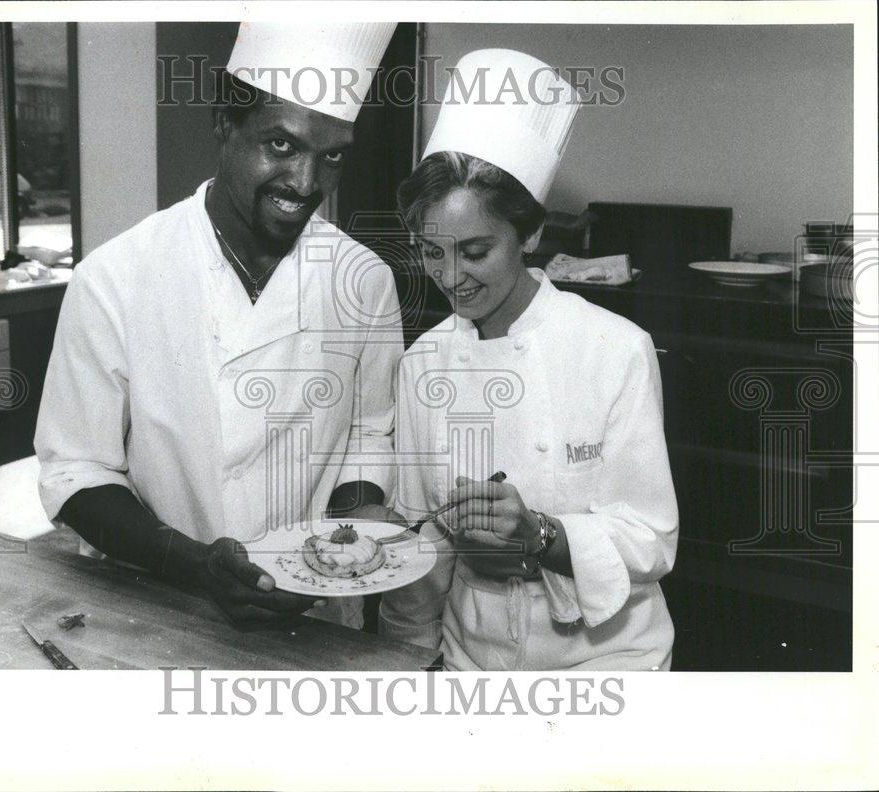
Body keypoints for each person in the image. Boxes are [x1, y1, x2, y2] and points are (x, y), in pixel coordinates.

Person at [35, 23, 404, 628]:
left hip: (313, 619)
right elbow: (76, 470)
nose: (306, 185)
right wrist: (194, 566)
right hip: (158, 604)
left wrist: (334, 549)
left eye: (331, 155)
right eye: (280, 146)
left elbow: (370, 434)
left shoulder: (363, 279)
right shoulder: (115, 277)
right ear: (224, 127)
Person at [379, 49, 678, 670]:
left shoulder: (615, 348)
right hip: (472, 660)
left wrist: (541, 534)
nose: (451, 278)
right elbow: (421, 542)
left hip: (606, 662)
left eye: (475, 251)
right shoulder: (423, 364)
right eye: (433, 253)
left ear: (531, 235)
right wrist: (400, 665)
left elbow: (652, 539)